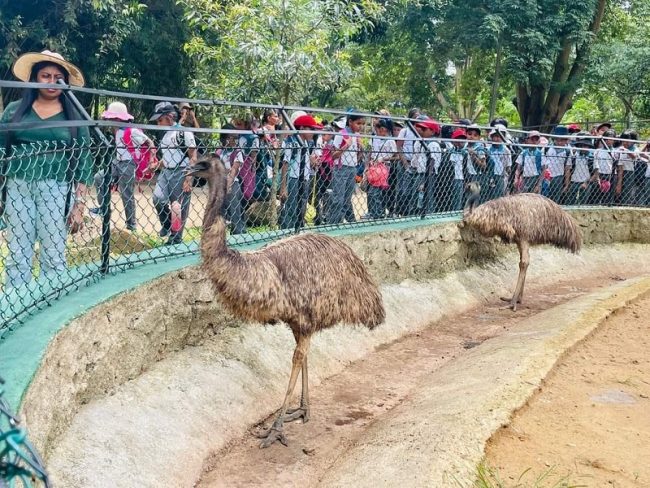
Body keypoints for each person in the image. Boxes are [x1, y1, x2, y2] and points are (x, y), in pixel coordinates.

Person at [0, 50, 93, 289]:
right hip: (17, 186)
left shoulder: (76, 117)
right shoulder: (14, 110)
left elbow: (84, 162)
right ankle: (15, 305)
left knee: (53, 253)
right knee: (18, 253)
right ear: (34, 78)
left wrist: (79, 205)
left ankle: (50, 303)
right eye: (45, 75)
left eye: (58, 77)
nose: (52, 82)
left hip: (57, 188)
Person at [91, 101, 155, 231]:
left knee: (126, 193)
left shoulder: (132, 131)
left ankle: (131, 225)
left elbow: (150, 142)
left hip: (129, 163)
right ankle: (104, 209)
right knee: (99, 177)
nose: (109, 120)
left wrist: (152, 160)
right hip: (118, 161)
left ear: (118, 118)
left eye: (111, 118)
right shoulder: (118, 130)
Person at [149, 101, 197, 245]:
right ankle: (167, 224)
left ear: (170, 117)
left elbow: (193, 156)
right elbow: (168, 157)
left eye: (160, 120)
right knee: (158, 198)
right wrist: (156, 165)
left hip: (181, 171)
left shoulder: (184, 132)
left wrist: (189, 178)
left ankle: (176, 238)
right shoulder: (165, 135)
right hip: (166, 172)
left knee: (178, 207)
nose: (158, 123)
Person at [279, 114, 322, 229]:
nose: (313, 132)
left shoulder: (307, 143)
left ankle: (297, 229)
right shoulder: (292, 143)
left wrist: (312, 162)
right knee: (291, 209)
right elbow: (285, 164)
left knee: (301, 208)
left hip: (305, 179)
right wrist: (284, 187)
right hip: (293, 179)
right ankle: (287, 230)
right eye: (311, 129)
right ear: (302, 128)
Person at [329, 114, 365, 224]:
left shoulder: (356, 135)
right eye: (358, 123)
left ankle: (339, 221)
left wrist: (361, 149)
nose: (360, 126)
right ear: (350, 122)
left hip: (352, 168)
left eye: (362, 124)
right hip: (341, 169)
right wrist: (345, 146)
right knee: (338, 199)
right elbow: (333, 155)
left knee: (346, 199)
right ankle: (333, 223)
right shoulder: (342, 134)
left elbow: (357, 157)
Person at [217, 124, 247, 234]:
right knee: (221, 210)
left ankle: (238, 232)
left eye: (235, 137)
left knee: (235, 209)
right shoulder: (220, 152)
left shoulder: (237, 152)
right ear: (224, 138)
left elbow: (233, 170)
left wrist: (228, 185)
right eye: (230, 137)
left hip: (232, 184)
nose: (233, 140)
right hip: (220, 183)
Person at [366, 118, 397, 219]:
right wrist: (368, 165)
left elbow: (396, 156)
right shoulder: (375, 138)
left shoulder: (390, 141)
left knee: (375, 192)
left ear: (383, 129)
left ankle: (378, 213)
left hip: (383, 168)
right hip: (373, 167)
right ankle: (375, 212)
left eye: (377, 128)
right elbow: (370, 152)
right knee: (372, 191)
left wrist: (383, 159)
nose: (376, 130)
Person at [565, 133, 599, 205]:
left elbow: (596, 173)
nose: (584, 147)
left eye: (586, 145)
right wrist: (567, 184)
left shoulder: (592, 157)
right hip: (573, 183)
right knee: (569, 203)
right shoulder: (573, 155)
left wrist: (587, 183)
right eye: (582, 145)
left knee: (582, 204)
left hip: (586, 183)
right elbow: (568, 169)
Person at [544, 125, 573, 204]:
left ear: (566, 140)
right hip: (546, 176)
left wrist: (567, 184)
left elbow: (567, 169)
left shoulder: (567, 152)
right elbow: (544, 164)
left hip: (558, 177)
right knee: (545, 198)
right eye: (557, 140)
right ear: (554, 139)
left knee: (555, 199)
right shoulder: (547, 149)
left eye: (562, 140)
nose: (559, 142)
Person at [486, 126, 512, 200]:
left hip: (501, 176)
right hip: (489, 175)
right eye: (495, 136)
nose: (497, 139)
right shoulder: (487, 149)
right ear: (492, 137)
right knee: (488, 195)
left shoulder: (506, 150)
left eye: (500, 136)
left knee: (499, 197)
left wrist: (507, 176)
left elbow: (508, 166)